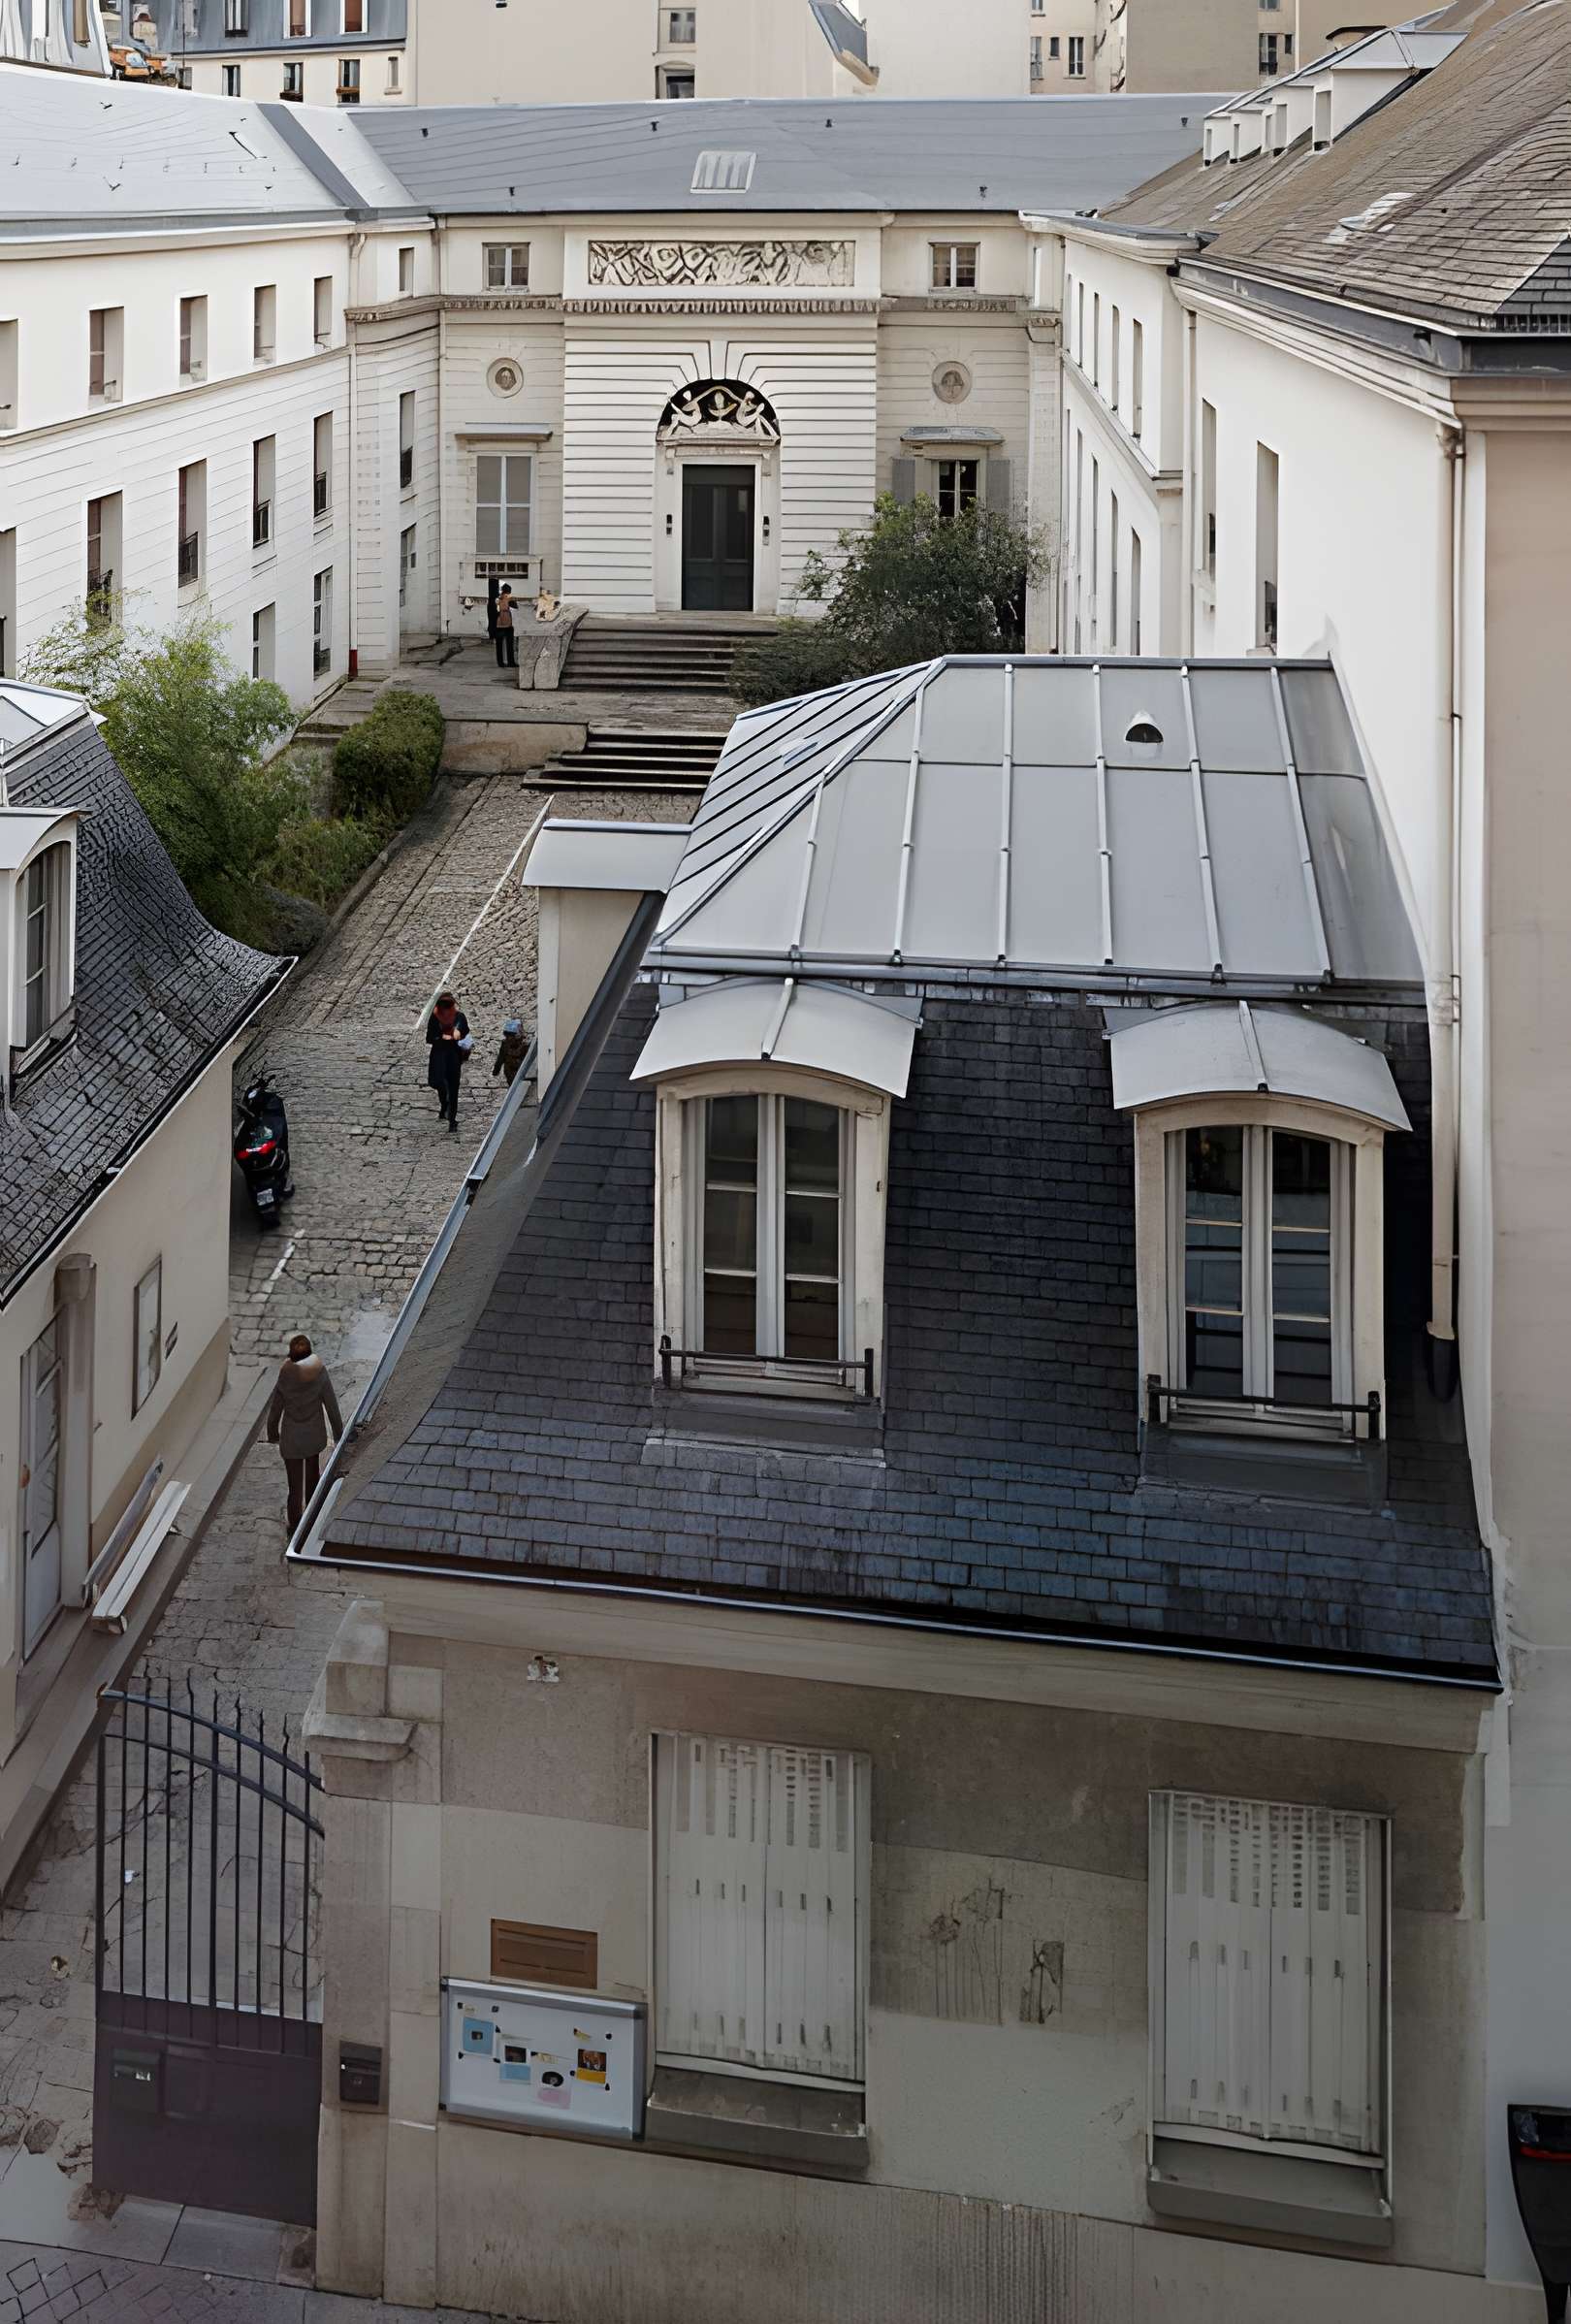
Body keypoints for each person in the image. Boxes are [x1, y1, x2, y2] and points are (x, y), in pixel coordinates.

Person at [268, 1334, 342, 1534]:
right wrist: (339, 1434)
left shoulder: (285, 1374)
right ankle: (311, 1516)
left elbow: (276, 1408)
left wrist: (273, 1433)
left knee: (294, 1487)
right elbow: (331, 1406)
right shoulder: (319, 1372)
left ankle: (294, 1524)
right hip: (313, 1435)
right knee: (312, 1477)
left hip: (291, 1438)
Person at [426, 988, 471, 1133]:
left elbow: (464, 1031)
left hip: (453, 1055)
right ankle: (444, 1103)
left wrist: (456, 1034)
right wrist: (441, 1037)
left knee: (453, 1087)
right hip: (439, 1053)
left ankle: (452, 1119)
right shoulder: (435, 1018)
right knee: (437, 1081)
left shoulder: (459, 1017)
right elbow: (429, 1037)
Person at [493, 1017, 529, 1086]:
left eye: (511, 1035)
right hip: (509, 1071)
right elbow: (500, 1058)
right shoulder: (505, 1044)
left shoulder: (524, 1046)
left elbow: (527, 1062)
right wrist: (496, 1071)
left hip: (520, 1072)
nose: (509, 1038)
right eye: (508, 1035)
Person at [494, 584, 517, 670]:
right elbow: (516, 608)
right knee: (509, 644)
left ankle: (500, 663)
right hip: (508, 624)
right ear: (509, 590)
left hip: (499, 623)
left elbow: (495, 610)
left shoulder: (498, 599)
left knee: (499, 645)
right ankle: (511, 662)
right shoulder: (510, 599)